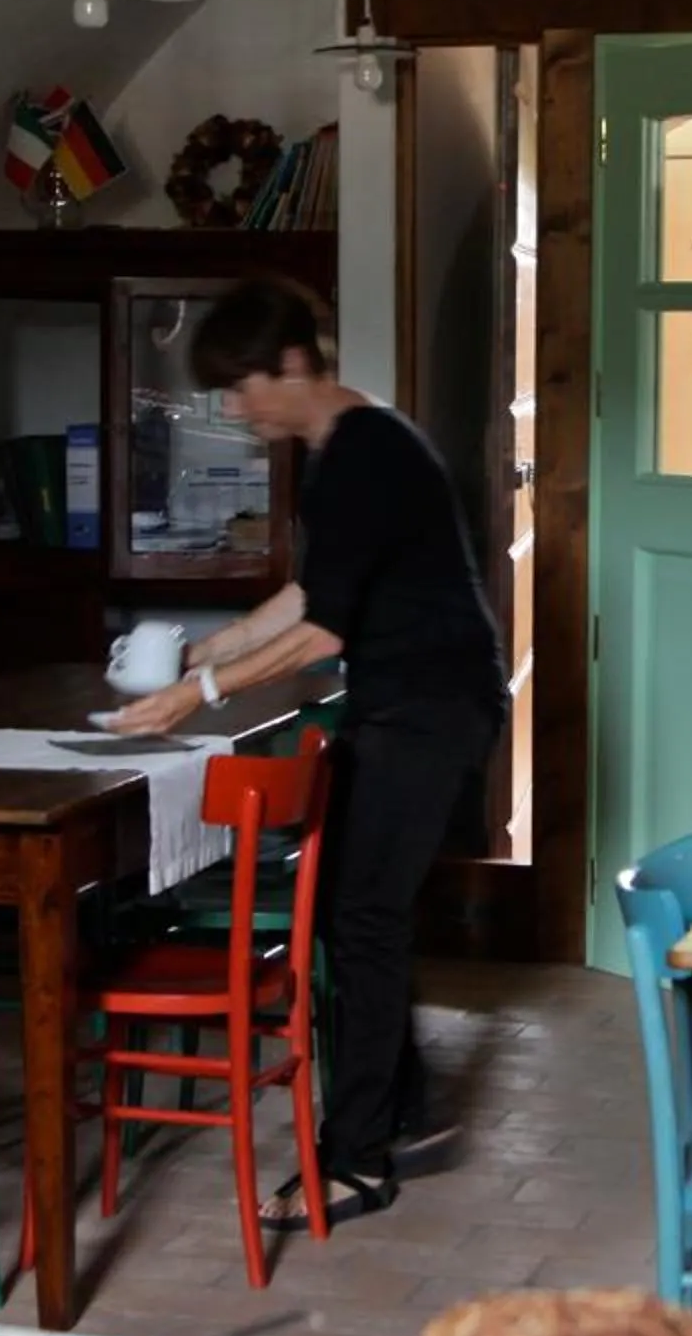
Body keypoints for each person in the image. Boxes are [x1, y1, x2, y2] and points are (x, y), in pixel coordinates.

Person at [107, 275, 506, 1228]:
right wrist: (199, 650)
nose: (235, 410)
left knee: (360, 918)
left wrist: (195, 694)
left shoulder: (365, 451)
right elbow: (303, 599)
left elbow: (325, 632)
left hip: (432, 706)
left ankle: (358, 1158)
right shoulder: (345, 446)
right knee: (352, 914)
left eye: (243, 388)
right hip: (408, 702)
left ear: (292, 364)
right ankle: (397, 1114)